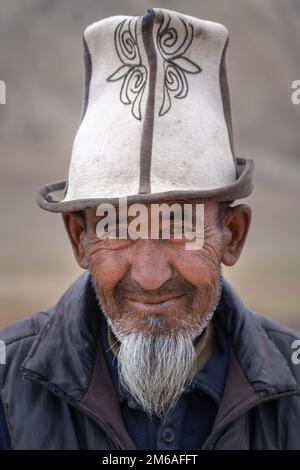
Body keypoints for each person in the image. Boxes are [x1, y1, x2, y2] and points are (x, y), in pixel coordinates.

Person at [1, 7, 299, 450]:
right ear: (79, 239)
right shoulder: (8, 392)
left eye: (180, 225)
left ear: (232, 234)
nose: (150, 275)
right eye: (118, 227)